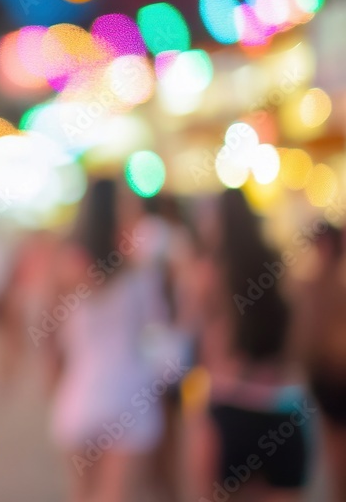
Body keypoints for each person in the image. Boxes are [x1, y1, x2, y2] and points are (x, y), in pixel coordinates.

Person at [46, 178, 172, 502]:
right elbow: (157, 327)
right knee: (116, 495)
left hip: (80, 392)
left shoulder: (67, 266)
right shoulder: (140, 268)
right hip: (130, 393)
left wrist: (55, 386)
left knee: (81, 494)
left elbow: (49, 336)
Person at [186, 189, 311, 502]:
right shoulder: (278, 263)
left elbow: (199, 338)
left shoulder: (209, 273)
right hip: (283, 406)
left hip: (230, 403)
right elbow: (297, 337)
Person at [297, 224, 346, 502]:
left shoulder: (320, 287)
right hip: (325, 382)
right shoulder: (314, 285)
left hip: (333, 381)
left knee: (335, 459)